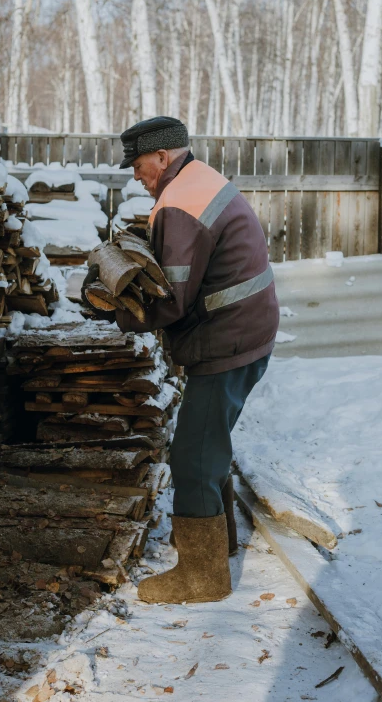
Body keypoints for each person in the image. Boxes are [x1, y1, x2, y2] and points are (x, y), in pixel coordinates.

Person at [82, 116, 279, 605]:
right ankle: (221, 545)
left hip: (228, 341)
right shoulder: (196, 181)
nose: (134, 173)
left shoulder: (180, 204)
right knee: (210, 443)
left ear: (162, 157)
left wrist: (111, 309)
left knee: (192, 456)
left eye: (138, 163)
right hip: (245, 332)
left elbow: (169, 300)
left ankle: (201, 576)